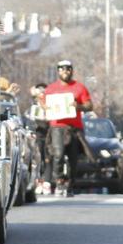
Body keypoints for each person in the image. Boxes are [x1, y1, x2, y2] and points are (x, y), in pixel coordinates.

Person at [44, 60, 93, 196]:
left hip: (74, 127)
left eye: (68, 69)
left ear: (72, 70)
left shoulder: (79, 87)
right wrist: (45, 107)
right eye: (61, 69)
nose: (65, 72)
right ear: (58, 71)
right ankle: (59, 181)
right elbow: (43, 103)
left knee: (73, 159)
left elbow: (89, 105)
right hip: (57, 126)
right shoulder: (51, 88)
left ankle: (70, 184)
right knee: (58, 155)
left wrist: (79, 106)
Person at [27, 83, 51, 194]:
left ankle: (47, 182)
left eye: (43, 91)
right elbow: (30, 119)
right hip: (38, 136)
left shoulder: (50, 104)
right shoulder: (33, 106)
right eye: (39, 91)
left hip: (49, 135)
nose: (41, 94)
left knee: (48, 158)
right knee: (37, 159)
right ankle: (38, 181)